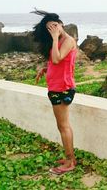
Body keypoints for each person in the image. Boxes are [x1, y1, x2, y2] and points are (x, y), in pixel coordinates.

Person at [31, 9, 77, 175]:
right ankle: (68, 157)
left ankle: (70, 161)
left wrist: (55, 37)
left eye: (55, 26)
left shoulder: (68, 40)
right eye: (50, 28)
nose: (54, 29)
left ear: (61, 24)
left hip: (63, 88)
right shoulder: (57, 42)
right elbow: (56, 62)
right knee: (61, 125)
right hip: (55, 87)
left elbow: (58, 58)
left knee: (64, 126)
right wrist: (45, 68)